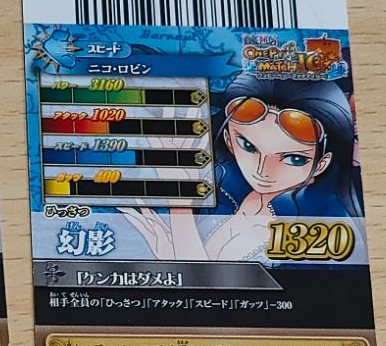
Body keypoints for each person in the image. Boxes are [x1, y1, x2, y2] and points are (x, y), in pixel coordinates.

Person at [123, 75, 359, 264]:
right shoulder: (228, 187)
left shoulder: (308, 223)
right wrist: (171, 250)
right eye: (248, 146)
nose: (262, 171)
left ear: (321, 164)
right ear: (228, 139)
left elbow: (205, 285)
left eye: (294, 159)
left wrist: (180, 207)